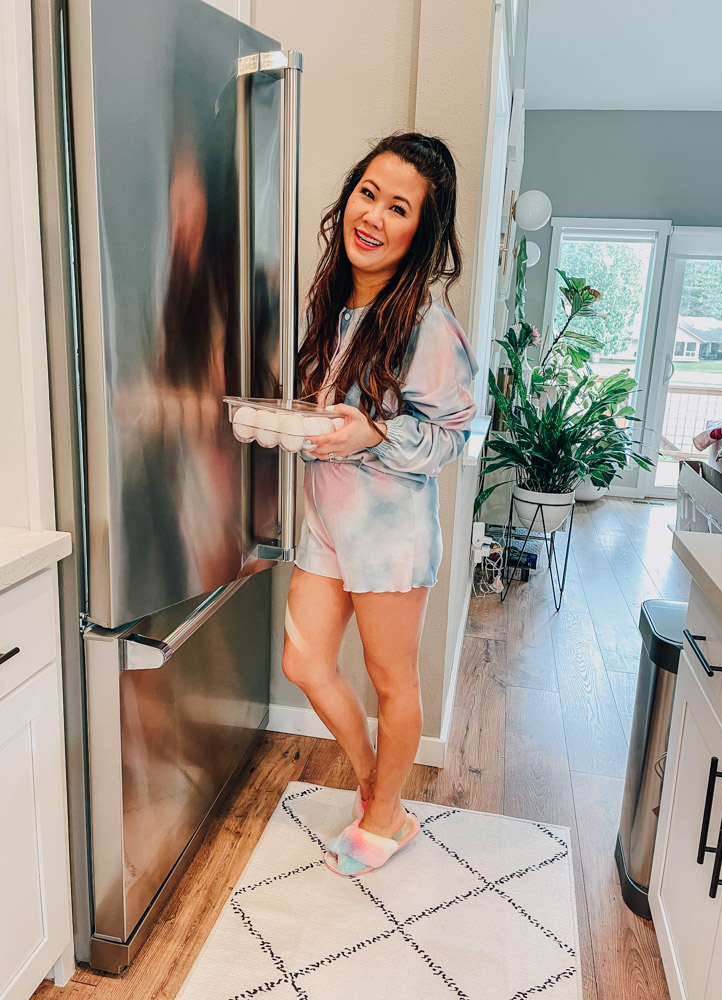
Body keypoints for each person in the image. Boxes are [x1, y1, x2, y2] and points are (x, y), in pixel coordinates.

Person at [282, 133, 478, 876]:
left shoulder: (428, 326)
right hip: (327, 523)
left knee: (393, 681)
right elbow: (332, 414)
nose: (373, 216)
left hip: (390, 536)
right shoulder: (334, 301)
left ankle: (385, 814)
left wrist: (375, 433)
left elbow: (453, 440)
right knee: (303, 661)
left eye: (399, 208)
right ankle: (377, 787)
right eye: (369, 193)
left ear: (419, 232)